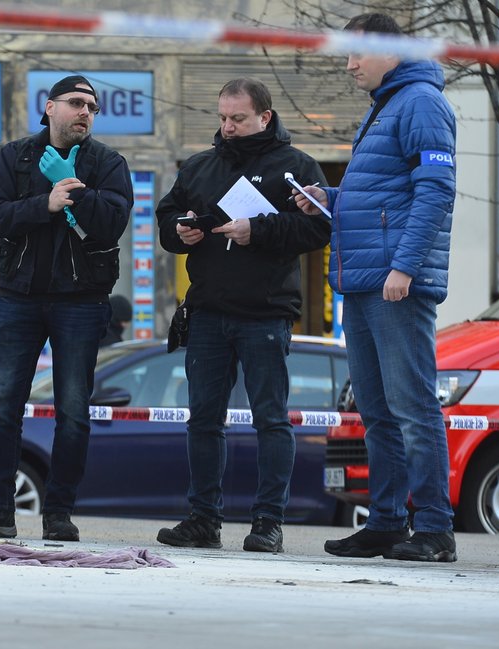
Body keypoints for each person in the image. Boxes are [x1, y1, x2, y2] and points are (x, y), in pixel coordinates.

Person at [295, 13, 458, 563]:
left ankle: (434, 529)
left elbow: (436, 191)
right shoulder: (386, 106)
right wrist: (330, 199)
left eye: (356, 54)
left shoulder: (421, 103)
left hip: (395, 282)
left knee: (412, 407)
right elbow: (384, 198)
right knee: (377, 410)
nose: (348, 65)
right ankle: (386, 523)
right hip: (365, 280)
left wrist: (405, 268)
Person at [0, 74, 133, 541]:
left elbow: (112, 223)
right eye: (75, 103)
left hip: (82, 301)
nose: (85, 112)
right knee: (2, 406)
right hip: (19, 298)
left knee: (73, 410)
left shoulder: (107, 163)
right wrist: (45, 203)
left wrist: (72, 189)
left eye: (92, 106)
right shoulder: (15, 157)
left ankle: (58, 512)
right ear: (49, 108)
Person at [154, 78, 330, 552]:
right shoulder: (200, 166)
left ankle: (268, 522)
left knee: (270, 420)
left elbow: (317, 230)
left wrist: (260, 229)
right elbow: (166, 217)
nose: (227, 127)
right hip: (209, 310)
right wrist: (178, 231)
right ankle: (202, 520)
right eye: (223, 118)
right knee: (203, 420)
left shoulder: (295, 166)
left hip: (265, 313)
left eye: (238, 119)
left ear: (264, 118)